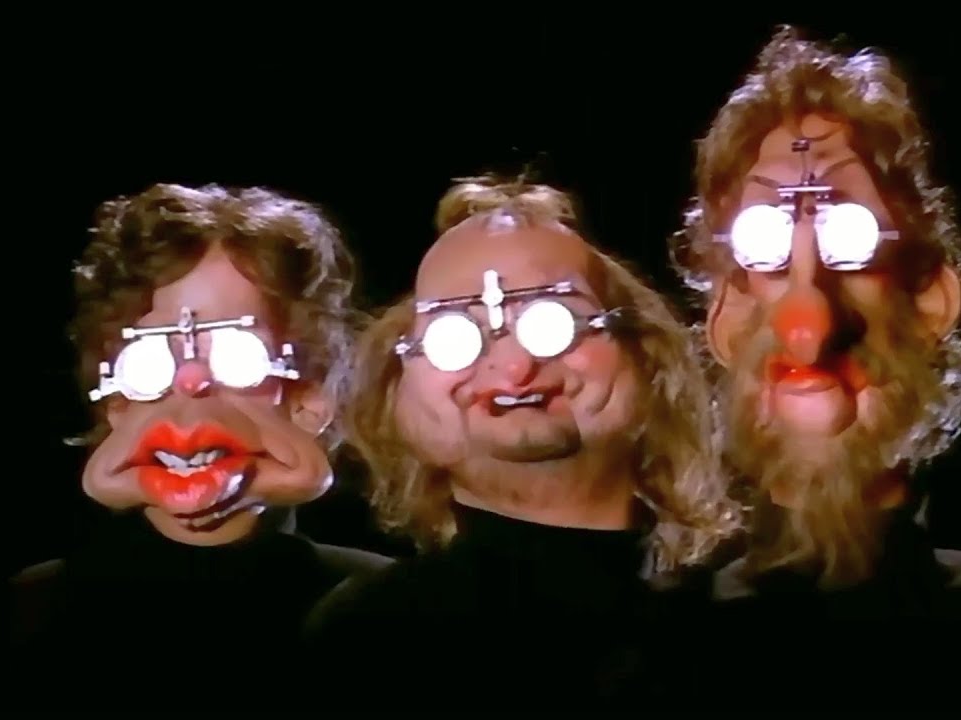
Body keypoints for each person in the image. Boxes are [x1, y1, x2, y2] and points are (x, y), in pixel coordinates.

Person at [670, 26, 961, 706]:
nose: (810, 326)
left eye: (850, 241)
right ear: (726, 319)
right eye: (766, 245)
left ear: (931, 303)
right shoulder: (655, 639)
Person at [304, 175, 737, 707]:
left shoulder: (748, 613)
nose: (513, 367)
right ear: (398, 383)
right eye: (453, 335)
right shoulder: (371, 641)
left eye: (555, 322)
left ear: (644, 352)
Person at [8, 183, 390, 703]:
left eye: (235, 354)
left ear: (310, 398)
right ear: (115, 399)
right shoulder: (30, 611)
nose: (191, 384)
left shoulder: (385, 608)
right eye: (150, 360)